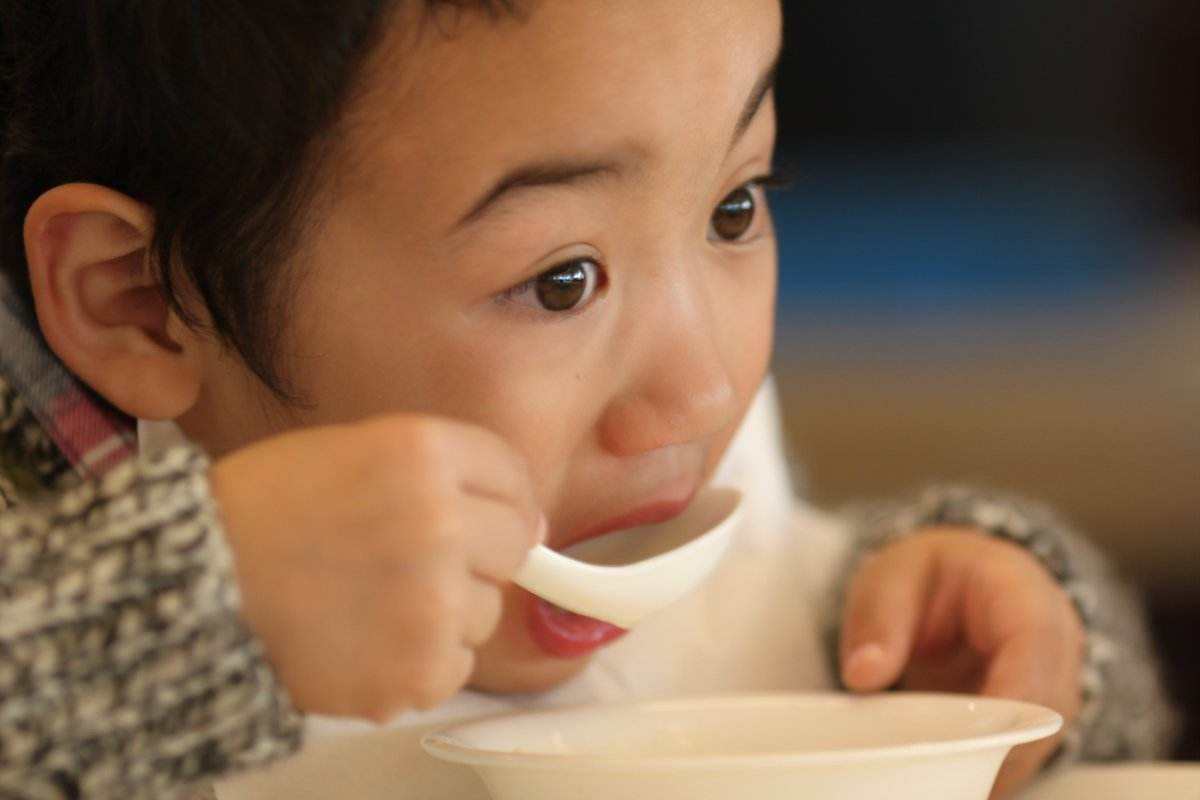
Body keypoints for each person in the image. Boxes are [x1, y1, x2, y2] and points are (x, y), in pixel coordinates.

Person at [0, 2, 1178, 798]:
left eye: (735, 206)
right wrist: (190, 616)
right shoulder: (80, 590)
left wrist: (990, 637)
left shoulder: (660, 451)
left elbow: (779, 608)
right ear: (142, 303)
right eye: (561, 280)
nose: (705, 385)